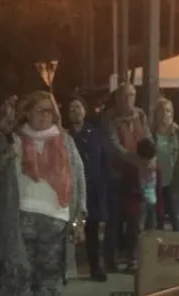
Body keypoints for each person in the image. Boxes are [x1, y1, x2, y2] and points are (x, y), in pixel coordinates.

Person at [0, 91, 86, 296]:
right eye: (40, 110)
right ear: (27, 113)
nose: (45, 115)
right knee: (14, 273)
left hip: (56, 219)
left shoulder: (65, 141)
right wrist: (4, 142)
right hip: (20, 218)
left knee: (51, 275)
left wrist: (79, 217)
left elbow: (79, 178)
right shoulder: (14, 139)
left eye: (49, 111)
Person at [101, 83, 151, 272]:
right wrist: (134, 159)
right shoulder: (109, 117)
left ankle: (133, 258)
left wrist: (149, 156)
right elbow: (113, 145)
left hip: (137, 175)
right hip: (117, 173)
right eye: (124, 96)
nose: (128, 100)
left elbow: (147, 136)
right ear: (117, 98)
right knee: (114, 219)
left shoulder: (140, 115)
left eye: (131, 95)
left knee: (135, 219)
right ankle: (110, 259)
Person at [67, 96, 108, 281]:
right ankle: (67, 269)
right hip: (71, 188)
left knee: (92, 229)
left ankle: (95, 267)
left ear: (85, 110)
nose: (76, 111)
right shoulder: (65, 136)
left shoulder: (95, 133)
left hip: (93, 188)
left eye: (79, 107)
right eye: (72, 108)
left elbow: (103, 159)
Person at [151, 97, 179, 232]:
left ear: (172, 114)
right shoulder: (150, 133)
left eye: (168, 111)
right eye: (161, 110)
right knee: (156, 218)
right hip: (154, 181)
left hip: (175, 180)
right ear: (156, 114)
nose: (165, 114)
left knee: (177, 216)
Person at [136, 138, 158, 231]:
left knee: (151, 224)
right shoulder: (138, 166)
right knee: (141, 224)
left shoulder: (153, 165)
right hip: (143, 199)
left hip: (151, 199)